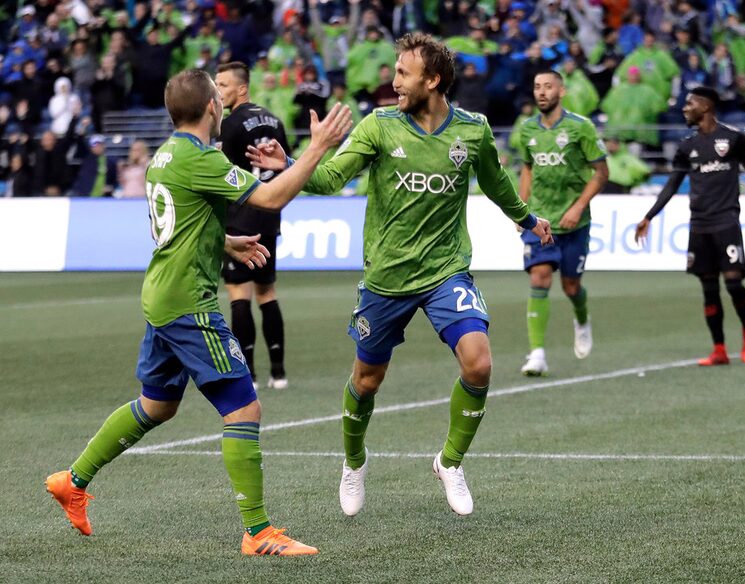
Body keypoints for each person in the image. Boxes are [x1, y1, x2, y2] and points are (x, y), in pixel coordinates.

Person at [45, 68, 352, 555]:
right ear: (213, 106)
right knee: (243, 407)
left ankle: (73, 480)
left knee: (157, 406)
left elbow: (170, 225)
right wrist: (317, 148)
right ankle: (258, 532)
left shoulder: (164, 156)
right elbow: (270, 196)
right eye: (218, 96)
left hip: (161, 294)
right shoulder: (200, 158)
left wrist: (225, 242)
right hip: (189, 302)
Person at [248, 32, 552, 517]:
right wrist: (292, 162)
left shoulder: (472, 131)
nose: (393, 81)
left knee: (479, 363)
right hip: (387, 277)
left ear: (433, 80)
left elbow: (496, 183)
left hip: (446, 270)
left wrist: (526, 217)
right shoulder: (379, 127)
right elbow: (330, 179)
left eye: (404, 73)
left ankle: (450, 463)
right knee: (367, 381)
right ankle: (353, 461)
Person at [634, 86, 745, 366]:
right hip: (699, 225)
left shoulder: (734, 139)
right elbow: (672, 184)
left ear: (706, 106)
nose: (684, 108)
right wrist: (649, 216)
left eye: (690, 103)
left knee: (734, 283)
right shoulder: (686, 146)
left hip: (726, 222)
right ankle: (719, 349)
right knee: (709, 289)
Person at [517, 70, 608, 376]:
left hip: (575, 223)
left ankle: (582, 318)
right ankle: (537, 354)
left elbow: (601, 172)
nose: (541, 92)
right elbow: (527, 169)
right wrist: (522, 210)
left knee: (571, 286)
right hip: (541, 220)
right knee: (539, 277)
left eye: (548, 87)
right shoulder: (526, 129)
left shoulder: (580, 127)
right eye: (537, 87)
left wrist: (579, 206)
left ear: (561, 91)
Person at [215, 62, 293, 390]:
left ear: (241, 89)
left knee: (239, 294)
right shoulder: (274, 120)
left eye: (222, 85)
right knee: (267, 292)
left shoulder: (230, 124)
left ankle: (249, 372)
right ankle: (279, 372)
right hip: (270, 213)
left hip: (240, 215)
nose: (217, 91)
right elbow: (285, 164)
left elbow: (222, 172)